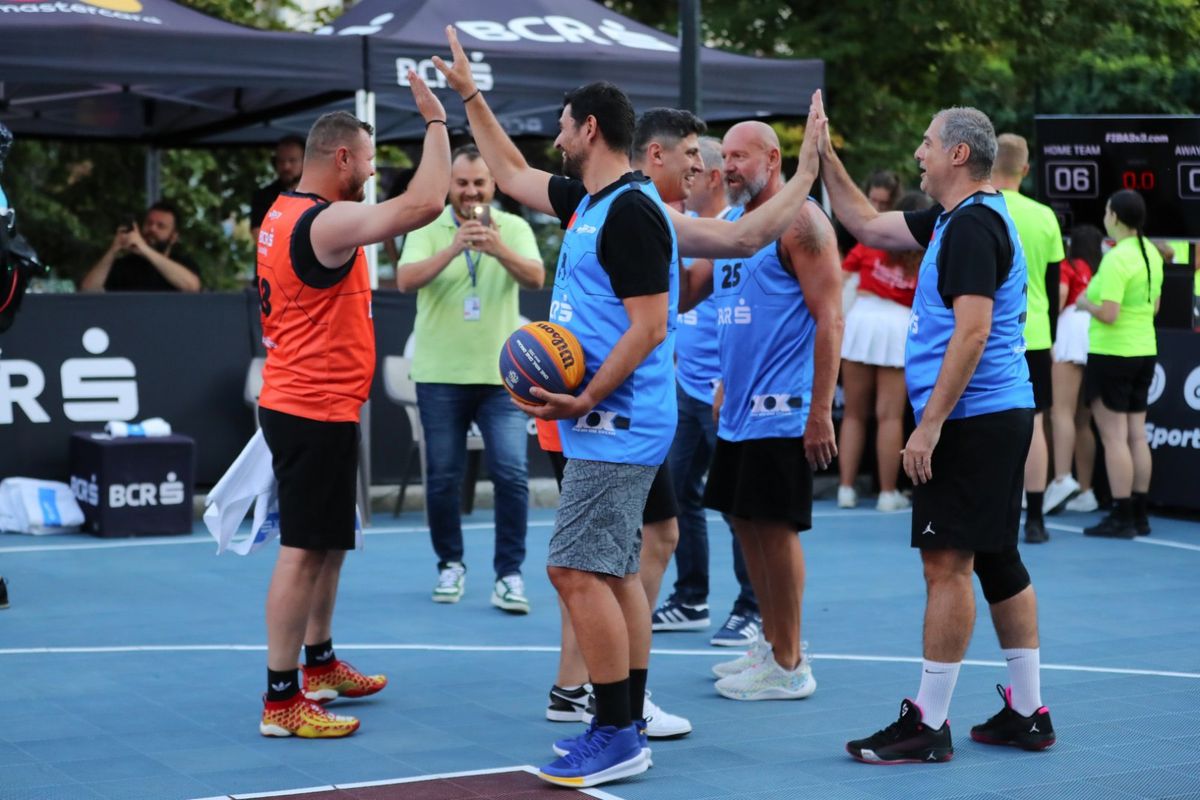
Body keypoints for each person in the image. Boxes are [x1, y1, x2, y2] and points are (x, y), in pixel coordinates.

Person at [432, 24, 820, 787]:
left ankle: (613, 730)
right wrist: (469, 95)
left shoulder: (633, 215)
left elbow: (648, 327)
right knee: (609, 574)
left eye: (565, 122)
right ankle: (626, 717)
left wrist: (582, 394)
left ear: (590, 129)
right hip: (602, 421)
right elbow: (509, 172)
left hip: (613, 420)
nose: (556, 135)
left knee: (573, 571)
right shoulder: (589, 201)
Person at [811, 92, 1055, 763]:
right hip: (995, 415)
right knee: (998, 558)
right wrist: (824, 154)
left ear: (956, 153)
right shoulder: (956, 219)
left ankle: (929, 723)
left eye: (925, 142)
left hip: (973, 420)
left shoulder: (974, 228)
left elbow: (972, 334)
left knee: (945, 563)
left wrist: (929, 427)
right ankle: (1029, 712)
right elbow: (863, 222)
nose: (916, 154)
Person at [255, 77, 451, 739]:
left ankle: (319, 662)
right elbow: (424, 204)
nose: (372, 172)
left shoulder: (282, 211)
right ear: (341, 158)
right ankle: (281, 701)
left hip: (315, 402)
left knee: (330, 543)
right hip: (310, 406)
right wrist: (435, 122)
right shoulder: (324, 219)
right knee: (302, 551)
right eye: (368, 161)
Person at [679, 121, 841, 702]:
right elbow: (684, 293)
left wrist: (821, 408)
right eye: (726, 159)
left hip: (784, 407)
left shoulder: (802, 222)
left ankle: (791, 660)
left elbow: (831, 317)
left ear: (774, 159)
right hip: (736, 406)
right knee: (742, 521)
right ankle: (771, 643)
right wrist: (666, 211)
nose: (730, 168)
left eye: (741, 157)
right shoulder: (732, 228)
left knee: (775, 529)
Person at [395, 144, 544, 613]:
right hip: (439, 375)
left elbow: (536, 279)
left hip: (501, 378)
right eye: (461, 183)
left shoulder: (515, 227)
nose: (470, 191)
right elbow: (404, 280)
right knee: (441, 478)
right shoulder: (427, 225)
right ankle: (450, 565)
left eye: (479, 183)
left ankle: (510, 574)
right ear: (450, 186)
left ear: (493, 186)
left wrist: (496, 247)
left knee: (513, 475)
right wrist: (455, 246)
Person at [653, 135, 761, 647]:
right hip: (687, 387)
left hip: (727, 393)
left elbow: (749, 317)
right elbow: (683, 300)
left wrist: (725, 379)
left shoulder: (739, 233)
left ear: (714, 177)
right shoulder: (694, 232)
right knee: (677, 497)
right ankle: (691, 597)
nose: (688, 180)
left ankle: (753, 607)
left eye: (696, 172)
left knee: (738, 505)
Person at [836, 190, 932, 512]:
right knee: (889, 416)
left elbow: (840, 281)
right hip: (898, 327)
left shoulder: (871, 243)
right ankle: (887, 494)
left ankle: (846, 489)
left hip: (861, 321)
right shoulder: (929, 252)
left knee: (853, 413)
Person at [992, 134, 1066, 545]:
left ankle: (994, 512)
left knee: (985, 422)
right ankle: (1034, 518)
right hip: (1033, 332)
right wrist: (1049, 334)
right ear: (1025, 169)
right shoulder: (1044, 217)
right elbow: (1053, 287)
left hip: (988, 333)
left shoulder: (980, 208)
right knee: (1034, 424)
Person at [1077, 190, 1163, 538]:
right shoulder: (1152, 254)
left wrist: (1085, 305)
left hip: (1113, 353)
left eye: (1107, 211)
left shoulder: (1115, 259)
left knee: (1114, 438)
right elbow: (1154, 307)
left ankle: (1122, 514)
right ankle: (1139, 513)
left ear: (1115, 216)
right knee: (1135, 435)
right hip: (1144, 349)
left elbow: (1109, 313)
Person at [1047, 225, 1104, 513]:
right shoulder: (1103, 268)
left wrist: (1048, 334)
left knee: (1061, 412)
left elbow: (1059, 295)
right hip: (1096, 335)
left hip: (1070, 331)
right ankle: (1086, 491)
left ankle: (1061, 479)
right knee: (1083, 419)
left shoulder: (1068, 265)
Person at [80, 201, 201, 293]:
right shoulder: (124, 265)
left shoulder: (184, 263)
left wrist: (144, 249)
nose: (152, 229)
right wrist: (114, 249)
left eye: (160, 226)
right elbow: (88, 291)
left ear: (173, 237)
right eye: (149, 223)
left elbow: (192, 287)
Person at [251, 135, 306, 241]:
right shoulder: (263, 196)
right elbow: (258, 235)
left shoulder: (316, 194)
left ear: (305, 161)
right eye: (281, 161)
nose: (286, 166)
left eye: (292, 160)